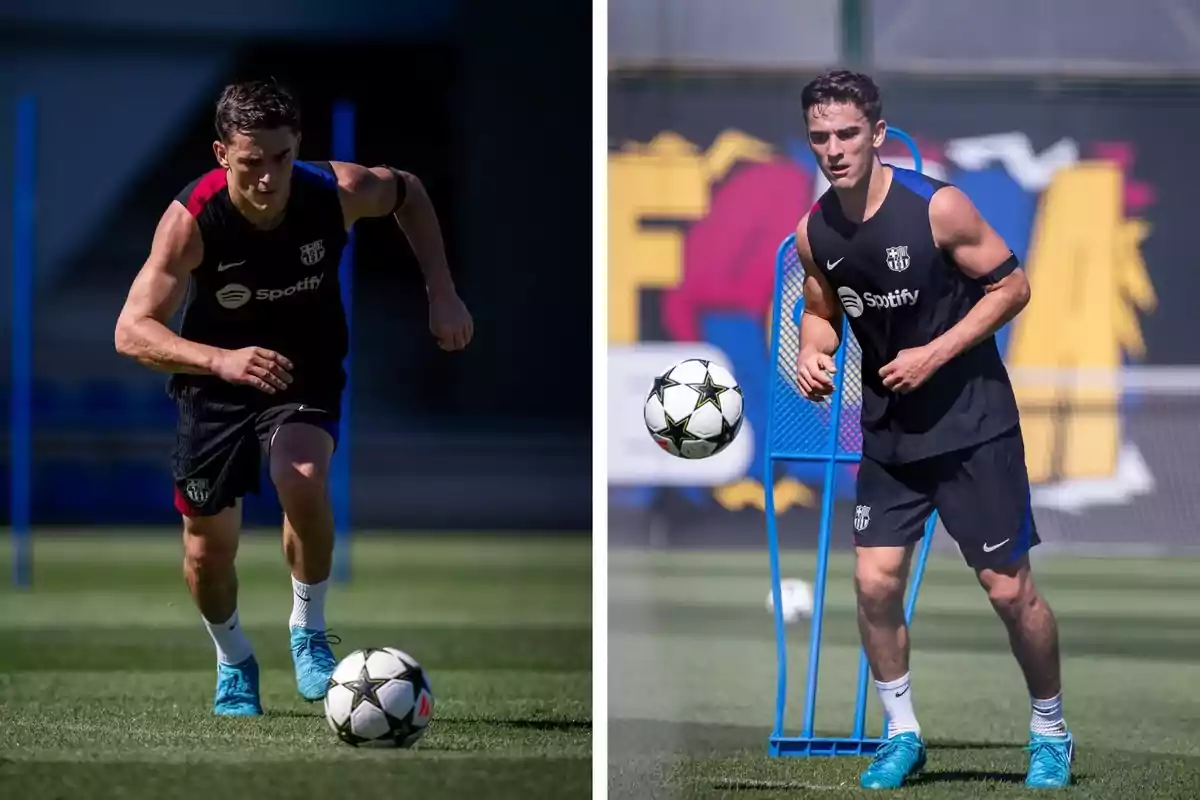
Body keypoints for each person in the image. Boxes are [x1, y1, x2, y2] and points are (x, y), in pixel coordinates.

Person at [114, 79, 473, 716]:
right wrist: (221, 359)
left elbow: (409, 191)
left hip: (302, 366)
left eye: (281, 158)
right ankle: (233, 661)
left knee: (302, 476)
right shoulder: (191, 222)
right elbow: (131, 331)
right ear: (223, 154)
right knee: (206, 551)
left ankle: (307, 632)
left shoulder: (335, 191)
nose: (268, 177)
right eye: (252, 162)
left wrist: (441, 291)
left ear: (296, 147)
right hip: (215, 380)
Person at [792, 70, 1072, 790]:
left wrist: (935, 352)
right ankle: (902, 733)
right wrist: (810, 348)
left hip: (974, 425)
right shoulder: (814, 231)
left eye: (848, 134)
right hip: (889, 436)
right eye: (820, 136)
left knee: (1009, 592)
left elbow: (1012, 285)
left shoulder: (938, 207)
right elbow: (822, 308)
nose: (834, 148)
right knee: (874, 582)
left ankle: (1050, 731)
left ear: (877, 135)